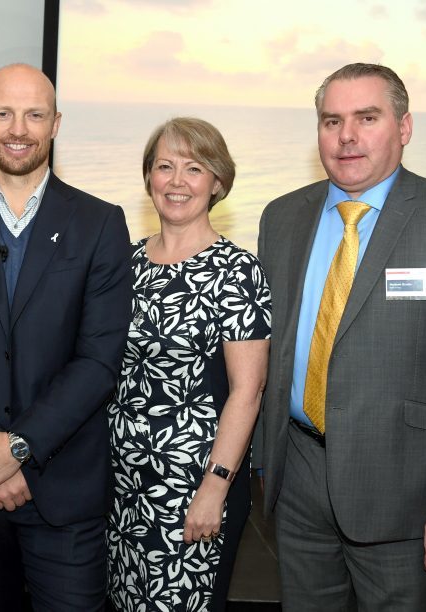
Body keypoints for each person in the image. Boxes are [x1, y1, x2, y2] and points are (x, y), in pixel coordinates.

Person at [257, 63, 426, 610]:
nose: (346, 136)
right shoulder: (282, 217)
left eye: (366, 118)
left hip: (410, 497)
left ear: (404, 127)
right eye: (332, 121)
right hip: (300, 482)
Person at [0, 63, 133, 611]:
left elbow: (98, 360)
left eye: (35, 114)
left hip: (62, 484)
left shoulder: (100, 223)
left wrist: (18, 447)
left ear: (56, 123)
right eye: (3, 113)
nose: (19, 128)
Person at [107, 118, 271, 611]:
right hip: (120, 484)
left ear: (217, 182)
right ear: (148, 179)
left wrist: (214, 488)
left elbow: (249, 391)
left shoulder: (237, 271)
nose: (177, 181)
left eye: (194, 168)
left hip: (192, 485)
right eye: (165, 167)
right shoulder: (125, 263)